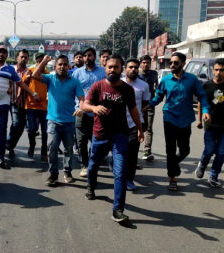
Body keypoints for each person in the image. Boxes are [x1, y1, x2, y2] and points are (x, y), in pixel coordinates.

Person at [81, 54, 144, 223]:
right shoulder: (98, 86)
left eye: (116, 67)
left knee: (121, 172)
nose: (112, 70)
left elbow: (133, 111)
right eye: (109, 67)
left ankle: (118, 209)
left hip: (120, 135)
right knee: (93, 165)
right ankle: (90, 187)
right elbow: (84, 105)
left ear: (121, 69)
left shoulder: (127, 89)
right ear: (105, 68)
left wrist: (140, 129)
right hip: (100, 134)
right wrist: (94, 108)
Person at [147, 52, 210, 191]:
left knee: (185, 150)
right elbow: (158, 97)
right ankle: (172, 178)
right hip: (169, 117)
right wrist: (148, 104)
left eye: (176, 63)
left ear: (183, 63)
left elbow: (202, 96)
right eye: (171, 63)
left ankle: (173, 164)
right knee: (170, 149)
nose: (172, 65)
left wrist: (205, 111)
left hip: (186, 119)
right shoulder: (165, 80)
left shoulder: (192, 80)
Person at [0, 45, 36, 169]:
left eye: (4, 53)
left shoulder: (10, 69)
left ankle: (0, 157)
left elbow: (20, 83)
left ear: (7, 55)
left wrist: (32, 93)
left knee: (2, 129)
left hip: (3, 104)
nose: (1, 54)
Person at [32, 55, 84, 186]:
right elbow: (34, 75)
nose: (62, 67)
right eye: (59, 64)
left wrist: (81, 109)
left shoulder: (74, 81)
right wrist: (44, 61)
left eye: (65, 64)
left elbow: (82, 99)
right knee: (52, 149)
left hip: (69, 122)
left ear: (68, 66)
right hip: (53, 121)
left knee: (68, 150)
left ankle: (67, 172)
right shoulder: (50, 78)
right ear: (55, 67)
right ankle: (53, 174)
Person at [194, 58, 224, 188]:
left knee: (220, 153)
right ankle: (203, 165)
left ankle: (214, 176)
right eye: (216, 70)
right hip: (210, 125)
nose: (219, 72)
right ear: (212, 70)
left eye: (222, 70)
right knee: (209, 151)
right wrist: (199, 119)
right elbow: (200, 103)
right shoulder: (206, 86)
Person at [71, 48, 106, 177]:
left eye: (89, 55)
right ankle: (84, 165)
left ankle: (92, 163)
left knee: (96, 140)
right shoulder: (77, 73)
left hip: (98, 113)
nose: (86, 58)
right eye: (84, 56)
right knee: (81, 141)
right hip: (80, 111)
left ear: (94, 57)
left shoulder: (103, 72)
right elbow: (72, 92)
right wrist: (75, 108)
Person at [122, 59, 150, 191]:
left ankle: (129, 179)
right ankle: (119, 174)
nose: (133, 69)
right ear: (125, 69)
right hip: (119, 124)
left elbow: (145, 106)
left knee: (132, 154)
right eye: (130, 67)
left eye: (136, 67)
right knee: (120, 152)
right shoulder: (118, 83)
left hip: (135, 124)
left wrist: (143, 125)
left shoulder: (143, 85)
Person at [22, 53, 49, 162]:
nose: (40, 63)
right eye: (38, 61)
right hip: (31, 105)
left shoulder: (47, 73)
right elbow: (22, 83)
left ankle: (43, 152)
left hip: (44, 107)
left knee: (45, 131)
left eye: (42, 61)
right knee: (31, 129)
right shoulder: (30, 70)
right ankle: (32, 145)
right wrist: (27, 78)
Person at [6, 49, 32, 156]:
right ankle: (7, 143)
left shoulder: (29, 71)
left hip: (24, 103)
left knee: (21, 127)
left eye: (25, 57)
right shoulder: (11, 69)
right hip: (12, 101)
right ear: (17, 57)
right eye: (21, 57)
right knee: (16, 123)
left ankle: (10, 146)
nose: (23, 59)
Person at [139, 55, 158, 161]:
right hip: (138, 104)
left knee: (148, 128)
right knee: (135, 126)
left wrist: (154, 101)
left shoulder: (154, 74)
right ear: (140, 63)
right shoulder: (136, 74)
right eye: (144, 62)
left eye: (148, 62)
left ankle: (147, 150)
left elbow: (157, 88)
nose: (146, 64)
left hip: (150, 104)